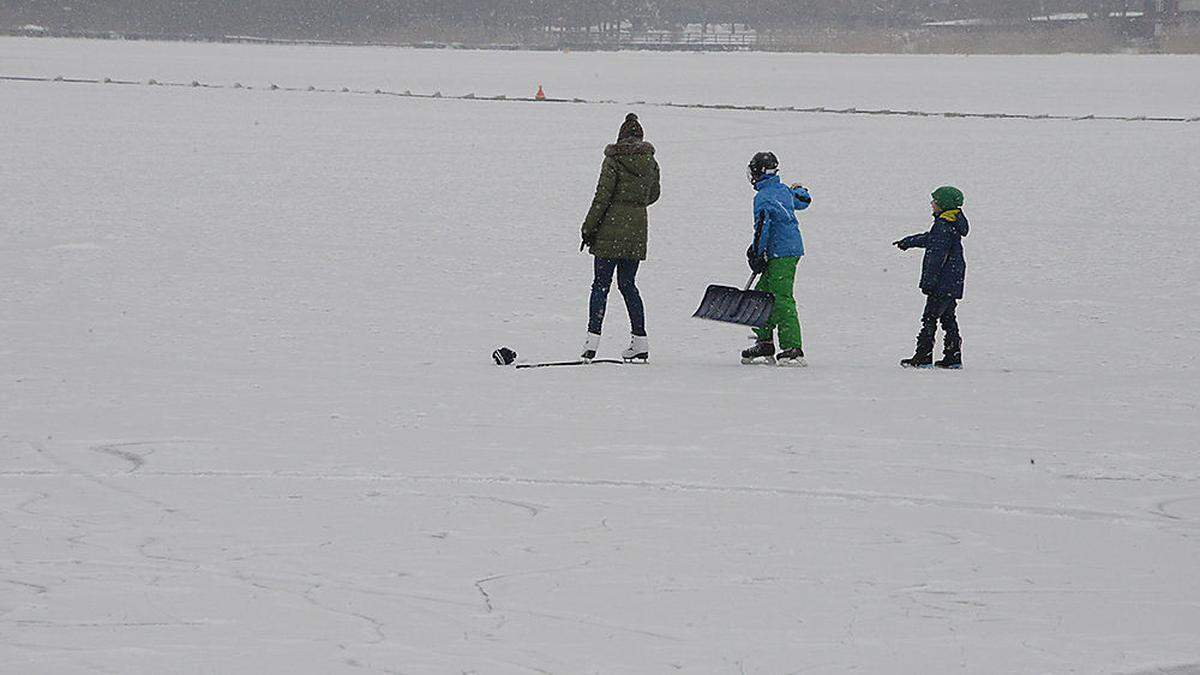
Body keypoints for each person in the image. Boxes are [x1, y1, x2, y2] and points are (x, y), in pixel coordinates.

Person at [580, 113, 661, 362]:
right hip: (636, 231)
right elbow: (654, 194)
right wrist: (634, 206)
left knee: (600, 286)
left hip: (609, 231)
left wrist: (588, 227)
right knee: (628, 285)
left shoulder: (613, 160)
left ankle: (591, 344)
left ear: (621, 136)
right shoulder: (650, 162)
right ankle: (640, 342)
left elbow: (601, 197)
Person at [740, 152, 812, 367]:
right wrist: (801, 189)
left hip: (782, 253)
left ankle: (792, 348)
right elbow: (803, 200)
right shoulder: (782, 190)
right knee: (761, 295)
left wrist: (756, 253)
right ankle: (764, 342)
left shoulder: (764, 197)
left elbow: (763, 227)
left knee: (781, 298)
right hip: (785, 250)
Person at [894, 186, 970, 369]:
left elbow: (936, 256)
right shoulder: (950, 223)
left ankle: (923, 356)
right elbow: (930, 239)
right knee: (948, 318)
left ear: (943, 205)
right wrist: (909, 242)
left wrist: (929, 282)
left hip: (942, 283)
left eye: (934, 202)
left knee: (930, 318)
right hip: (953, 281)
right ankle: (953, 357)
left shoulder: (943, 225)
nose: (931, 204)